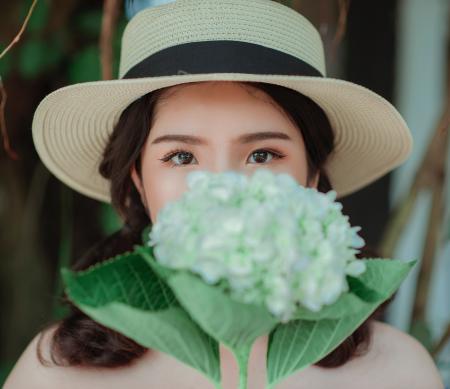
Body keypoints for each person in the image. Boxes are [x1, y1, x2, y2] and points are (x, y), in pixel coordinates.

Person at [4, 0, 445, 388]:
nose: (222, 188)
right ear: (138, 180)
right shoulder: (58, 375)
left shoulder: (396, 373)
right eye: (180, 157)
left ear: (313, 178)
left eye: (262, 155)